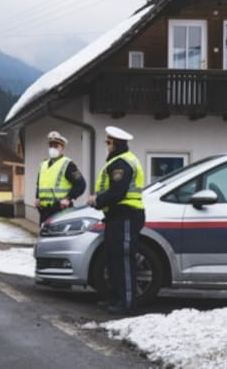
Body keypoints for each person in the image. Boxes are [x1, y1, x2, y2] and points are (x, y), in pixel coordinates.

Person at [88, 126, 145, 315]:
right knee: (113, 259)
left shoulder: (122, 163)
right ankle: (115, 298)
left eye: (108, 143)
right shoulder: (118, 161)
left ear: (116, 143)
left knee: (123, 259)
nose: (107, 146)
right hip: (116, 216)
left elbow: (118, 192)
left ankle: (127, 303)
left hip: (126, 215)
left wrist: (97, 200)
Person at [34, 130, 86, 225]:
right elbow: (39, 185)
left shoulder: (68, 164)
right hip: (44, 211)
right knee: (45, 238)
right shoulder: (43, 165)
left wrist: (68, 198)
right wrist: (37, 198)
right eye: (51, 146)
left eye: (56, 146)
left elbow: (81, 184)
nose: (52, 148)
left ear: (62, 148)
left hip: (61, 210)